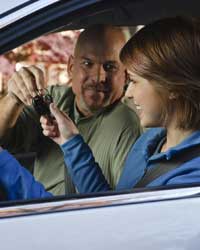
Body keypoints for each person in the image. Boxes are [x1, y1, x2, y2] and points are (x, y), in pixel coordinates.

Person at [1, 16, 200, 201]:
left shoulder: (190, 180)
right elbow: (106, 202)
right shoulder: (151, 141)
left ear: (173, 86)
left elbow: (116, 224)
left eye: (135, 81)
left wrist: (5, 167)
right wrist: (70, 141)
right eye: (88, 63)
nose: (128, 93)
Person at [0, 25, 141, 195]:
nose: (98, 77)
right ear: (71, 67)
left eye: (110, 67)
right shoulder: (52, 99)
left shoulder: (128, 125)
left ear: (125, 75)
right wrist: (14, 99)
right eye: (88, 64)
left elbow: (124, 207)